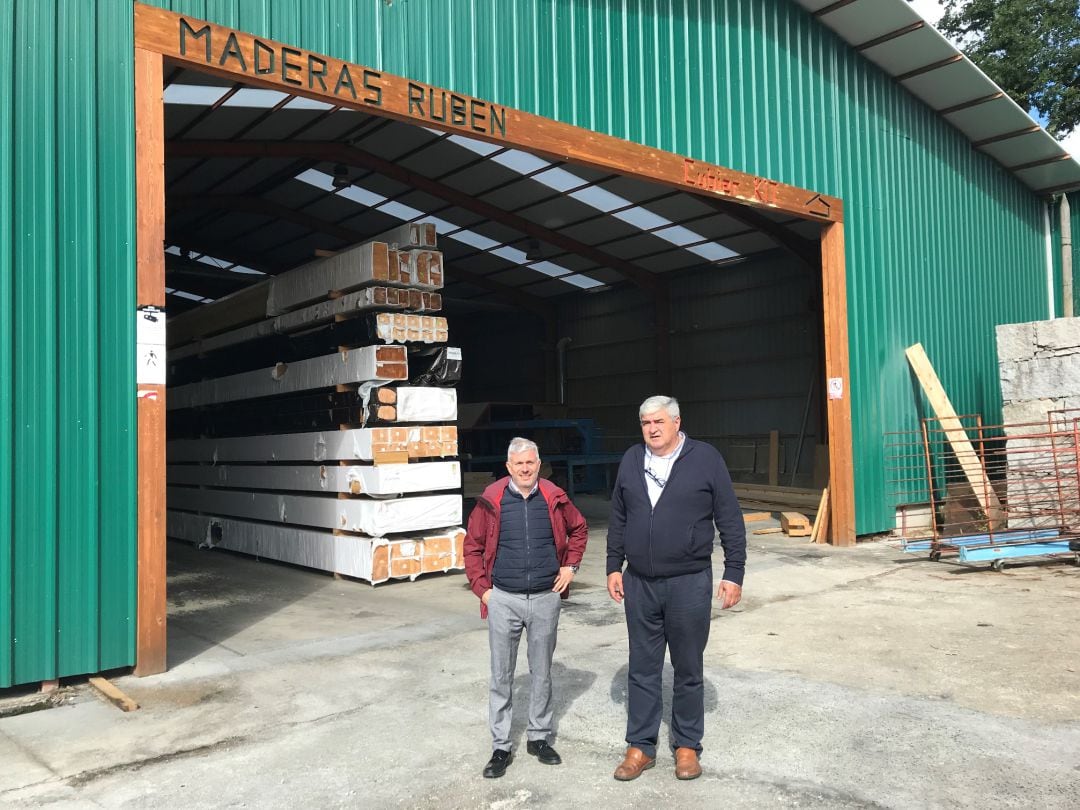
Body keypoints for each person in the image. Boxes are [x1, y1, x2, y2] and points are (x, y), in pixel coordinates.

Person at [606, 395, 746, 781]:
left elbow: (730, 518)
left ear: (677, 421)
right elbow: (618, 516)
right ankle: (640, 746)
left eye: (659, 422)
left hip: (688, 581)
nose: (652, 429)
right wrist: (612, 566)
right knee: (643, 667)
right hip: (640, 582)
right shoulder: (633, 460)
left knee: (687, 667)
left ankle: (686, 747)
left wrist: (734, 572)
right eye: (646, 423)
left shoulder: (705, 458)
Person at [463, 437, 589, 779]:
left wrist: (570, 567)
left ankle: (539, 737)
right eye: (518, 463)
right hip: (504, 598)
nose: (525, 468)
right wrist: (483, 591)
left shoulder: (553, 497)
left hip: (546, 598)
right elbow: (472, 547)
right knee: (501, 675)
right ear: (508, 467)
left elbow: (579, 530)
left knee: (541, 672)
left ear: (538, 463)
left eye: (530, 462)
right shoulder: (491, 501)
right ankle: (501, 746)